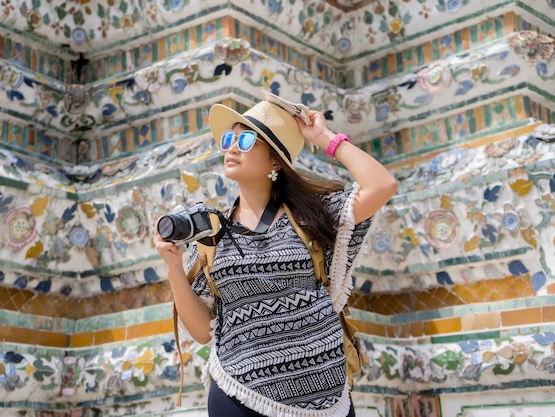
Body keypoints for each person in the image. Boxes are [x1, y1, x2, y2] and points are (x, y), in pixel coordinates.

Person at [153, 94, 398, 417]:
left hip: (323, 401)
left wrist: (323, 138)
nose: (232, 146)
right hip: (239, 395)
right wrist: (172, 266)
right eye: (229, 138)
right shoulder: (212, 234)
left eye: (246, 139)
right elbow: (202, 331)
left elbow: (382, 184)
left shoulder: (314, 218)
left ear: (275, 162)